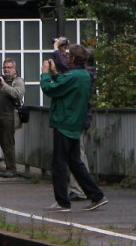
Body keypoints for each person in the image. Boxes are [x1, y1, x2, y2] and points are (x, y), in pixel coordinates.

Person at [40, 46, 107, 212]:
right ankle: (96, 195)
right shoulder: (84, 75)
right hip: (76, 123)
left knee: (59, 163)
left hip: (64, 122)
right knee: (75, 162)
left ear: (72, 59)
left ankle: (63, 201)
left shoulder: (74, 75)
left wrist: (45, 74)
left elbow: (51, 89)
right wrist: (55, 73)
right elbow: (65, 85)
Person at [0, 59, 25, 178]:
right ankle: (9, 167)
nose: (6, 70)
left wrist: (4, 84)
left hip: (10, 116)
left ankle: (11, 169)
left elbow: (18, 94)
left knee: (8, 143)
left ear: (14, 68)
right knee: (3, 143)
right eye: (5, 68)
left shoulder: (17, 81)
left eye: (9, 67)